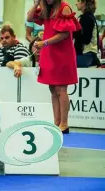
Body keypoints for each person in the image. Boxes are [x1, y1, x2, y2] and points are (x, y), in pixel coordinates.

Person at [27, 0, 81, 133]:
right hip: (49, 53)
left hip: (62, 54)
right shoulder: (46, 8)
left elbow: (65, 34)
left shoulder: (64, 7)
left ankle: (64, 123)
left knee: (61, 89)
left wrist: (45, 42)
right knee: (52, 88)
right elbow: (29, 17)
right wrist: (36, 4)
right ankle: (56, 122)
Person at [74, 0, 100, 67]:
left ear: (84, 2)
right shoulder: (89, 17)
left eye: (78, 1)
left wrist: (72, 32)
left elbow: (86, 40)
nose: (76, 3)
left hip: (86, 56)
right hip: (89, 55)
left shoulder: (86, 18)